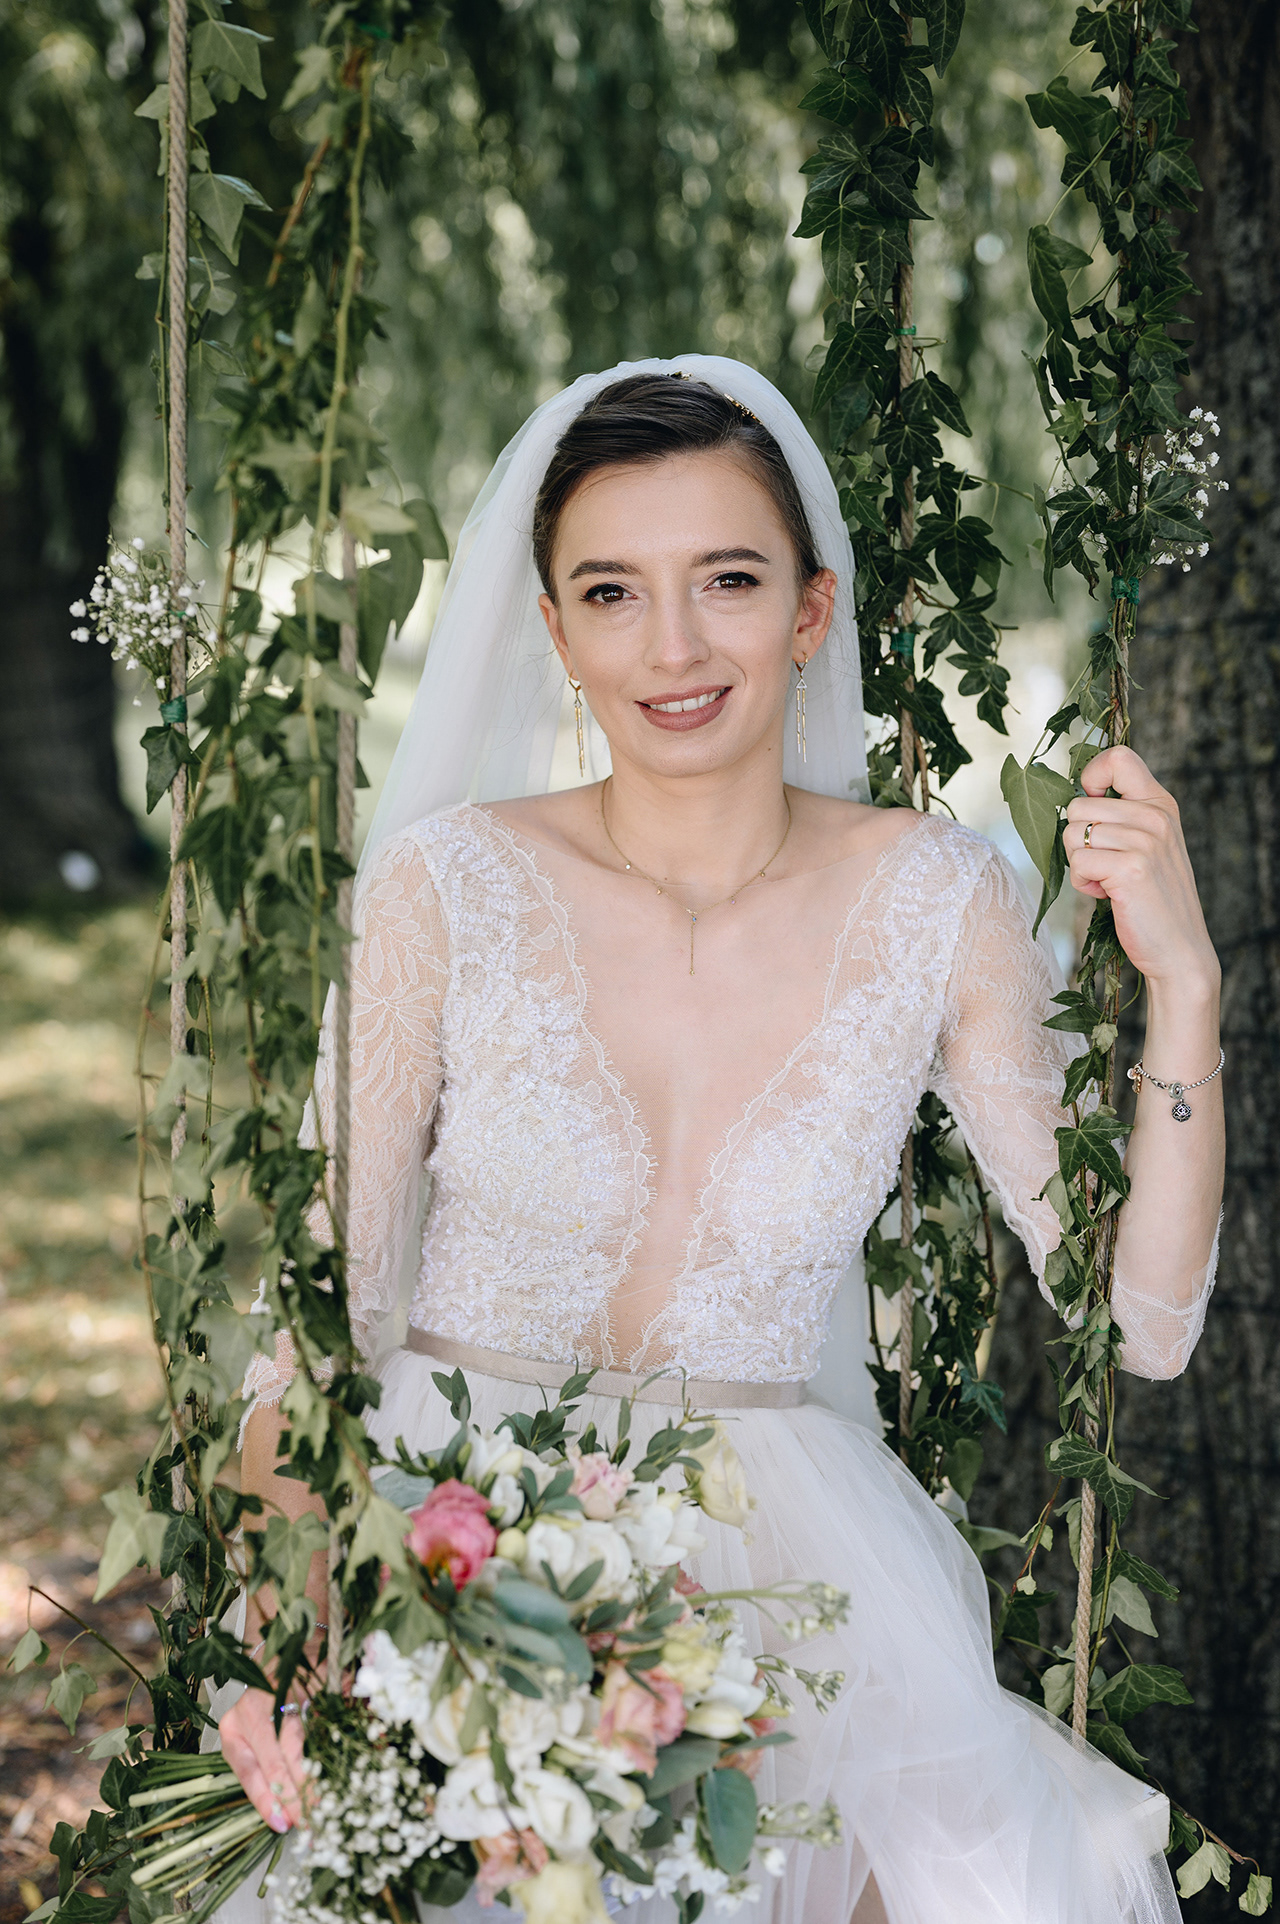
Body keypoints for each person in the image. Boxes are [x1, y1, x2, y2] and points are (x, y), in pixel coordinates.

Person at [217, 358, 1224, 1924]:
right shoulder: (445, 886)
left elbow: (1140, 1323)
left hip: (790, 1582)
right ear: (556, 631)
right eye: (612, 592)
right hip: (439, 1546)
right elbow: (311, 1330)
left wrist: (1186, 983)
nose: (673, 647)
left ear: (811, 611)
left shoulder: (936, 897)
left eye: (729, 581)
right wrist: (279, 1645)